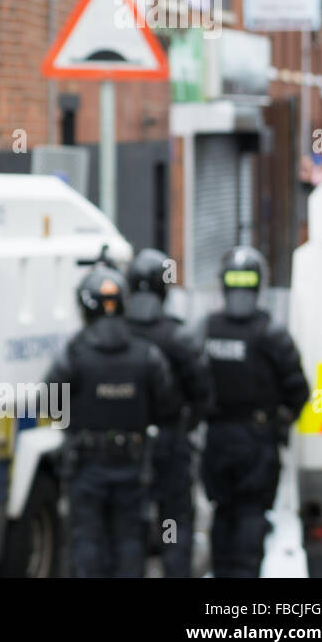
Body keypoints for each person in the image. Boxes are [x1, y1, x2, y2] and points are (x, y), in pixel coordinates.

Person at [45, 264, 179, 578]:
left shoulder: (74, 355)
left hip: (87, 466)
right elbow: (169, 406)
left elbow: (48, 402)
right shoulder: (147, 355)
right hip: (132, 466)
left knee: (88, 544)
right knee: (130, 544)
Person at [201, 246, 310, 578]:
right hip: (256, 440)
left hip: (218, 438)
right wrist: (281, 421)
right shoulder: (272, 334)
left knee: (224, 513)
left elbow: (188, 383)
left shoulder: (206, 330)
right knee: (250, 514)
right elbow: (300, 391)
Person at [125, 248, 212, 578]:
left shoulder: (118, 336)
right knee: (173, 521)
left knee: (130, 522)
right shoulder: (179, 337)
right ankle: (173, 568)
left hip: (128, 450)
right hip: (170, 446)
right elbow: (204, 393)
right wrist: (184, 425)